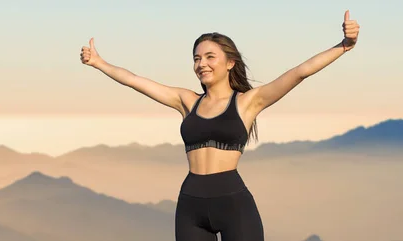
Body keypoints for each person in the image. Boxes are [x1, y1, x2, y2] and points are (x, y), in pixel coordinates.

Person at [80, 10, 359, 241]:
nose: (202, 64)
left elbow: (300, 72)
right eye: (197, 58)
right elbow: (134, 80)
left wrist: (344, 45)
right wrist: (99, 63)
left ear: (229, 62)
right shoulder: (186, 101)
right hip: (190, 206)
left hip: (234, 205)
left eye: (210, 57)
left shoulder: (249, 102)